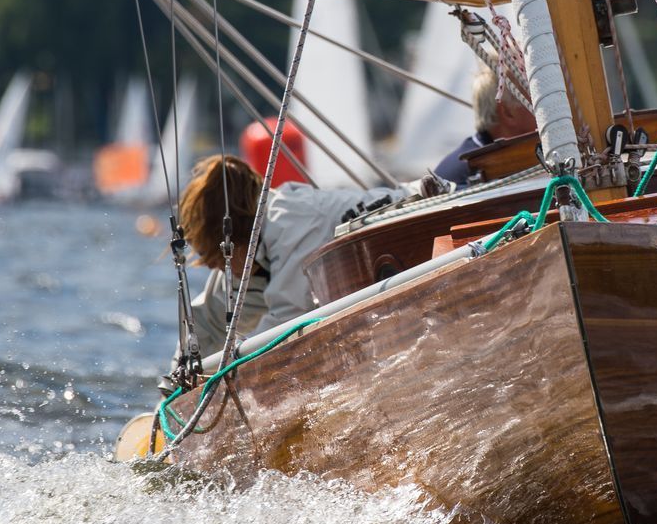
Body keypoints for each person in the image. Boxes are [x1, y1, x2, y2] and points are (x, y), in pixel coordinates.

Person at [176, 154, 404, 359]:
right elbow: (204, 322)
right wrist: (175, 383)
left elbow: (288, 321)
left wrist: (230, 367)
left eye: (216, 258)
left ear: (233, 235)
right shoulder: (246, 263)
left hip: (416, 212)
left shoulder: (289, 220)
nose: (212, 267)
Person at [433, 63, 537, 186]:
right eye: (534, 96)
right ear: (508, 112)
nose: (545, 105)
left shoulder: (510, 161)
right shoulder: (467, 175)